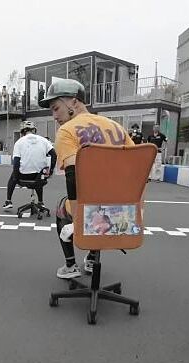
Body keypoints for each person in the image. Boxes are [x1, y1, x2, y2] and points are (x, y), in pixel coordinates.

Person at [37, 78, 135, 279]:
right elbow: (137, 170)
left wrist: (79, 220)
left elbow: (73, 176)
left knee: (63, 206)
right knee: (99, 200)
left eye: (56, 108)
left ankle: (70, 265)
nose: (54, 116)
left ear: (73, 101)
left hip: (92, 216)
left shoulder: (67, 131)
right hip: (126, 216)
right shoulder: (117, 127)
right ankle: (92, 257)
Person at [3, 121, 56, 211]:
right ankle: (40, 202)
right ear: (34, 130)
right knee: (40, 175)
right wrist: (50, 171)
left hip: (24, 176)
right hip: (40, 176)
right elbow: (54, 155)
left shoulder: (19, 142)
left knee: (12, 176)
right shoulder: (44, 140)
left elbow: (16, 162)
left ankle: (8, 201)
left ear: (22, 132)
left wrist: (16, 178)